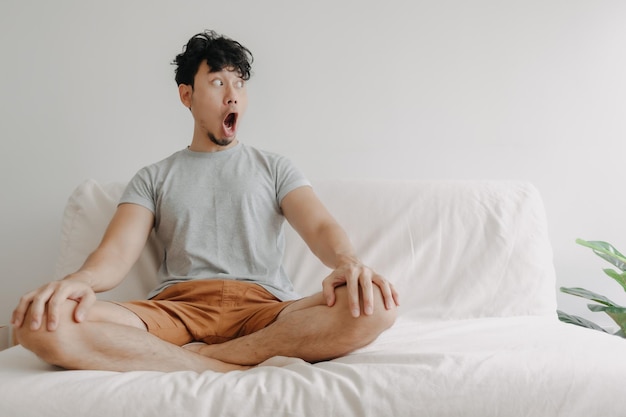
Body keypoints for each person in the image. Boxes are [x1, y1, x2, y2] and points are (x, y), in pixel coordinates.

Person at [11, 30, 399, 373]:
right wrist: (75, 282)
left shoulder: (275, 167)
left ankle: (202, 362)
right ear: (187, 95)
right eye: (217, 82)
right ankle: (223, 363)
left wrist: (348, 262)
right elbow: (114, 255)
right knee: (40, 322)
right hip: (176, 309)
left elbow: (319, 227)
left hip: (265, 309)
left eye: (239, 84)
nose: (233, 95)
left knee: (377, 305)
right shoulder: (153, 176)